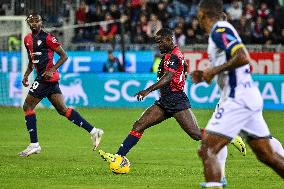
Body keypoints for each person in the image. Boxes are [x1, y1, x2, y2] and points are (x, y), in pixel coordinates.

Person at [192, 0, 284, 188]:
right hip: (245, 97)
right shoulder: (220, 31)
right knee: (267, 155)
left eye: (198, 16)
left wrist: (214, 70)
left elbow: (242, 57)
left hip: (238, 98)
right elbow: (233, 61)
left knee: (208, 149)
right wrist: (206, 74)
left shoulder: (219, 31)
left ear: (202, 15)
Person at [99, 28, 202, 162]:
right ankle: (118, 157)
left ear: (168, 40)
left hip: (176, 99)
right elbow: (183, 68)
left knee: (196, 134)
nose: (158, 45)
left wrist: (147, 90)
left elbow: (168, 77)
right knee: (139, 125)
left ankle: (227, 135)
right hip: (165, 100)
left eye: (160, 42)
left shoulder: (174, 55)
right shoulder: (170, 55)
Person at [18, 13, 104, 157]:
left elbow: (64, 56)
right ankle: (94, 131)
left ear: (41, 23)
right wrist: (27, 73)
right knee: (63, 110)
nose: (34, 24)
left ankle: (34, 144)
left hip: (46, 78)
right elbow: (31, 59)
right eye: (31, 21)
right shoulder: (27, 39)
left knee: (27, 106)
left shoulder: (48, 38)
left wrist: (52, 69)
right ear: (28, 23)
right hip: (46, 79)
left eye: (37, 21)